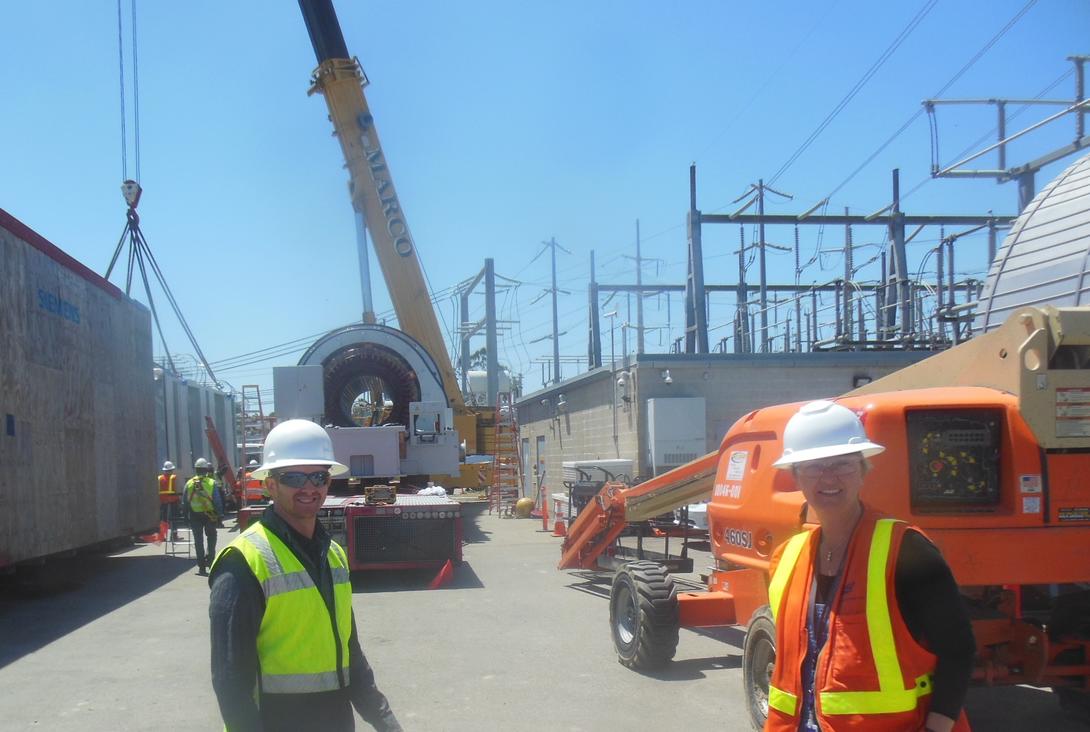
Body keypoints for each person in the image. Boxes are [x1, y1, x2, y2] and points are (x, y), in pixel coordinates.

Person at [764, 400, 975, 732]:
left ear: (864, 469)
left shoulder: (906, 550)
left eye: (843, 464)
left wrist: (937, 727)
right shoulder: (787, 558)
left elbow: (958, 648)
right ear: (794, 476)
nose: (828, 477)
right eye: (813, 466)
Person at [208, 419, 401, 732]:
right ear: (270, 485)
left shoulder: (334, 555)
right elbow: (230, 681)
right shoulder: (244, 562)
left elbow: (350, 654)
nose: (309, 487)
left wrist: (387, 723)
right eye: (294, 477)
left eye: (319, 477)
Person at [183, 457, 220, 576]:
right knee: (211, 538)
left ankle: (201, 568)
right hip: (210, 515)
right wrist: (220, 515)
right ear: (206, 469)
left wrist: (185, 516)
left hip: (194, 515)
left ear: (196, 469)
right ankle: (211, 561)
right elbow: (217, 501)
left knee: (198, 541)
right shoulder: (211, 482)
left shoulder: (188, 483)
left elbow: (185, 502)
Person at [158, 460, 181, 538]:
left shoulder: (159, 478)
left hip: (163, 501)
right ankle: (174, 535)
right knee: (174, 518)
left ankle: (162, 535)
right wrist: (179, 499)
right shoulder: (174, 477)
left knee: (163, 519)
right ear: (171, 470)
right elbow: (178, 489)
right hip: (173, 500)